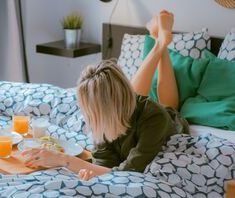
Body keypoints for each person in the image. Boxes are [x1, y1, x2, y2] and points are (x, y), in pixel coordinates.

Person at [22, 10, 189, 181]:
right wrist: (92, 172)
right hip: (124, 106)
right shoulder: (102, 119)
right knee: (133, 96)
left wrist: (64, 160)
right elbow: (104, 165)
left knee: (169, 106)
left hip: (166, 118)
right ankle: (160, 42)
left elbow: (129, 173)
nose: (87, 116)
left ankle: (161, 43)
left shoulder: (155, 118)